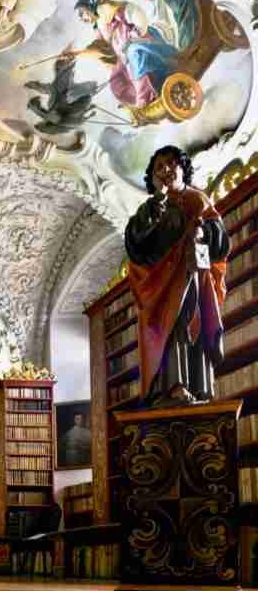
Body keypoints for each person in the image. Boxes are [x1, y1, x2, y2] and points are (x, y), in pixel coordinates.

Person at [124, 145, 230, 406]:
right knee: (170, 327)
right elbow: (136, 244)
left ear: (183, 168)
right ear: (154, 178)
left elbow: (220, 242)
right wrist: (158, 202)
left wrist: (203, 232)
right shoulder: (150, 208)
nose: (166, 170)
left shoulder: (198, 200)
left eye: (171, 164)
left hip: (192, 274)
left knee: (194, 322)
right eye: (159, 167)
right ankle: (173, 386)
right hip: (162, 283)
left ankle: (200, 386)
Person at [71, 0, 180, 109]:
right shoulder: (98, 27)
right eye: (80, 17)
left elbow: (134, 14)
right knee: (116, 78)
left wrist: (134, 37)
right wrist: (78, 53)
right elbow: (101, 47)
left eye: (82, 14)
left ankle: (145, 98)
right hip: (125, 55)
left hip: (142, 43)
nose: (83, 19)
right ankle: (134, 102)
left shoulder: (107, 9)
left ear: (88, 8)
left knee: (134, 53)